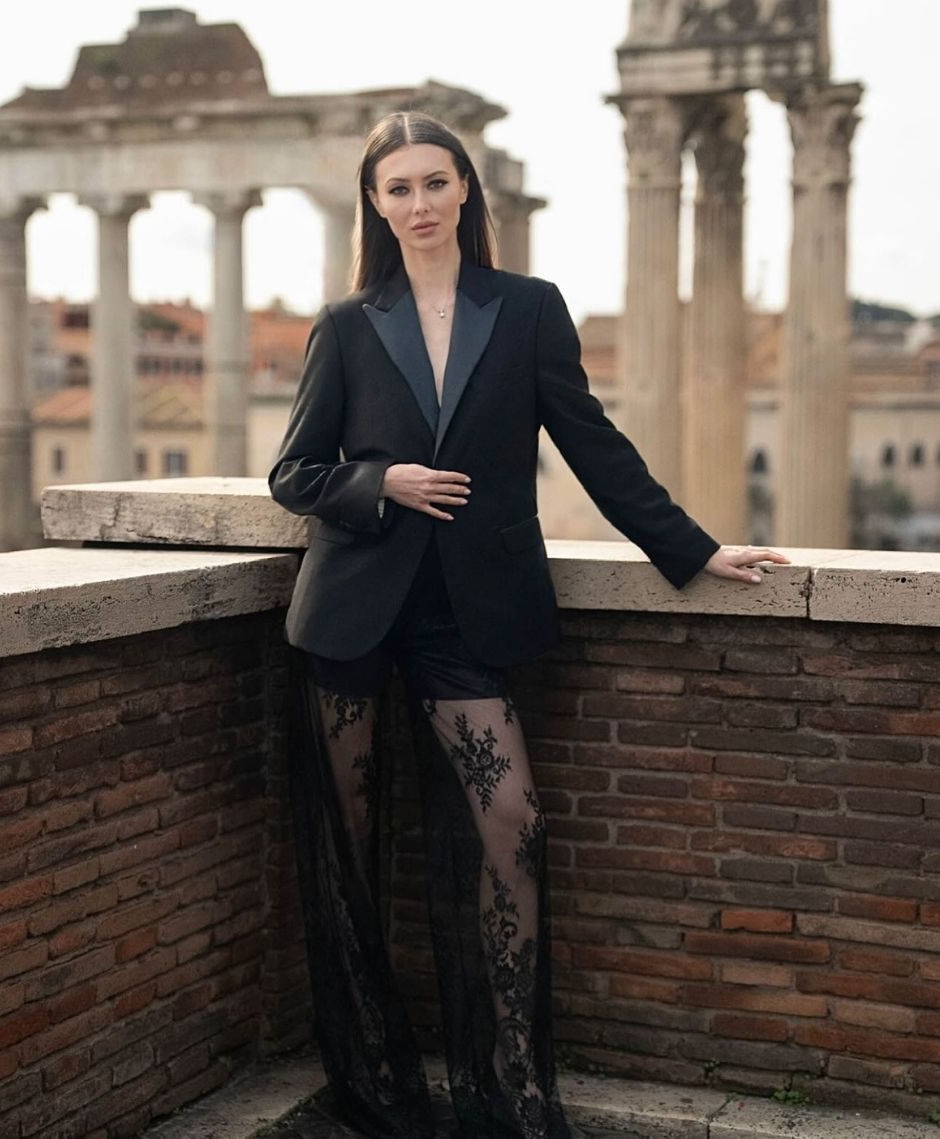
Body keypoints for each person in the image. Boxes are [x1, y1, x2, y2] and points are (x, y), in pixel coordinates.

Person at [268, 110, 789, 1139]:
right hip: (352, 608)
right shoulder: (345, 324)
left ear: (466, 188)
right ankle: (376, 1082)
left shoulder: (528, 308)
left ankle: (512, 1089)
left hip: (469, 614)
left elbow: (594, 444)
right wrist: (382, 480)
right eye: (398, 188)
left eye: (435, 181)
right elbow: (294, 473)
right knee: (348, 852)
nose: (419, 202)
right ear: (375, 205)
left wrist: (691, 548)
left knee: (512, 818)